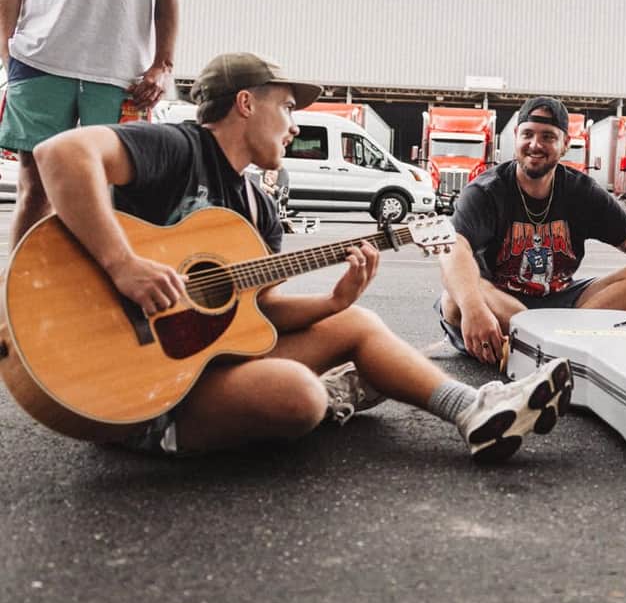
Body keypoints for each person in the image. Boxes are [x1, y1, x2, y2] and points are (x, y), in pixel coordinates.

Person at [28, 52, 574, 463]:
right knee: (301, 400)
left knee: (356, 321)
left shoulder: (258, 207)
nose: (294, 125)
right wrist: (123, 264)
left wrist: (334, 299)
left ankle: (473, 409)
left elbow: (257, 317)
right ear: (245, 103)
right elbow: (61, 154)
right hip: (132, 382)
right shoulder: (179, 148)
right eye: (287, 107)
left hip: (203, 367)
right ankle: (174, 429)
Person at [437, 96, 626, 366]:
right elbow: (453, 247)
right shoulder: (486, 191)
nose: (535, 144)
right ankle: (568, 349)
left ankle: (543, 351)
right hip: (501, 304)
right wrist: (473, 307)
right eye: (528, 134)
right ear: (515, 137)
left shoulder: (581, 191)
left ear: (565, 144)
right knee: (454, 298)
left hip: (561, 305)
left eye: (548, 136)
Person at [0, 0, 203, 250]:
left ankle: (104, 290)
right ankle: (22, 288)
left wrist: (164, 64)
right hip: (39, 59)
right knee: (36, 189)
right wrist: (5, 44)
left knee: (118, 192)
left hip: (123, 72)